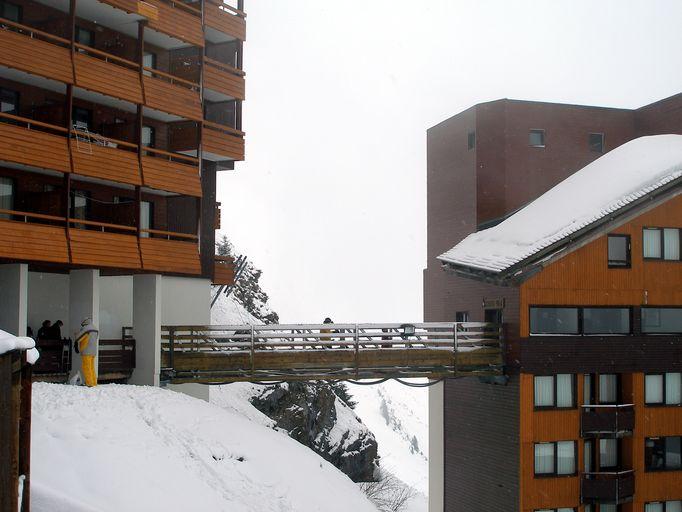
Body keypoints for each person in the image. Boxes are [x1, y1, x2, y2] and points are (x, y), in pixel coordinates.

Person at [75, 318, 99, 387]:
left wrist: (76, 334)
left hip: (86, 350)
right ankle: (94, 382)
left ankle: (89, 383)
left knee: (86, 367)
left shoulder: (86, 329)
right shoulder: (95, 328)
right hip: (93, 351)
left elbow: (78, 338)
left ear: (84, 322)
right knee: (92, 367)